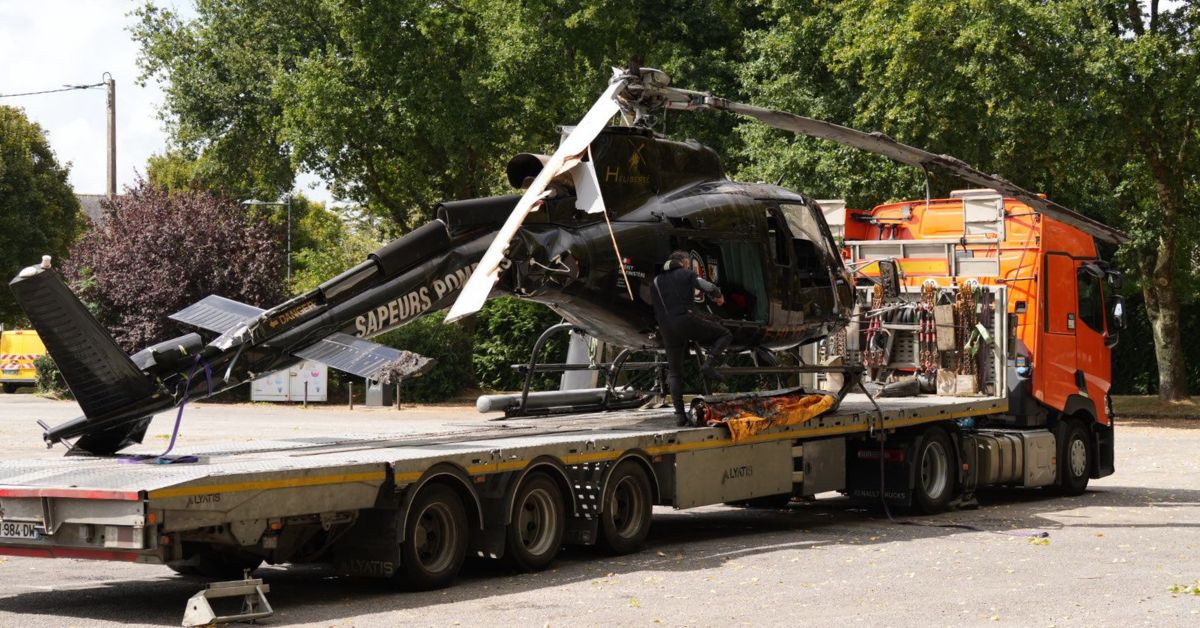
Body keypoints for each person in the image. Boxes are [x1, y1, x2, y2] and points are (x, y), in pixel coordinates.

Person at [652, 250, 733, 426]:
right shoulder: (687, 274)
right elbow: (710, 287)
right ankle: (708, 364)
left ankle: (680, 415)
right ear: (684, 262)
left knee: (675, 373)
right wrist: (719, 297)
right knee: (725, 333)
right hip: (686, 320)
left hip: (666, 328)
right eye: (688, 263)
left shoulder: (656, 280)